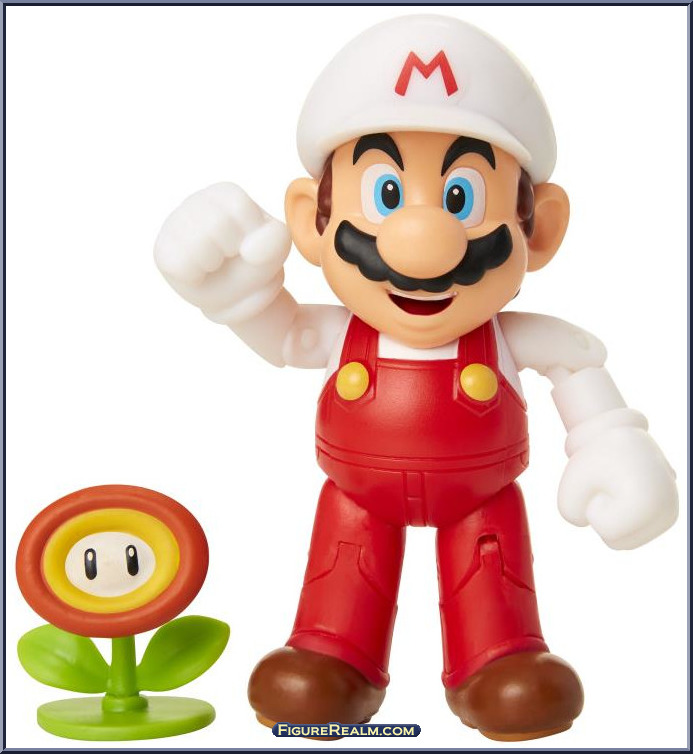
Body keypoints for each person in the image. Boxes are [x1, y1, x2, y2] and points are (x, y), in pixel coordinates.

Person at [154, 15, 678, 741]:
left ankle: (499, 661)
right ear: (310, 221)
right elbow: (283, 333)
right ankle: (333, 655)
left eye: (461, 198)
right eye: (386, 196)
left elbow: (578, 367)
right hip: (356, 497)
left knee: (490, 572)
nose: (422, 245)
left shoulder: (515, 337)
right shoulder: (339, 332)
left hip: (482, 498)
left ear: (540, 229)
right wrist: (234, 294)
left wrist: (613, 441)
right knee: (346, 564)